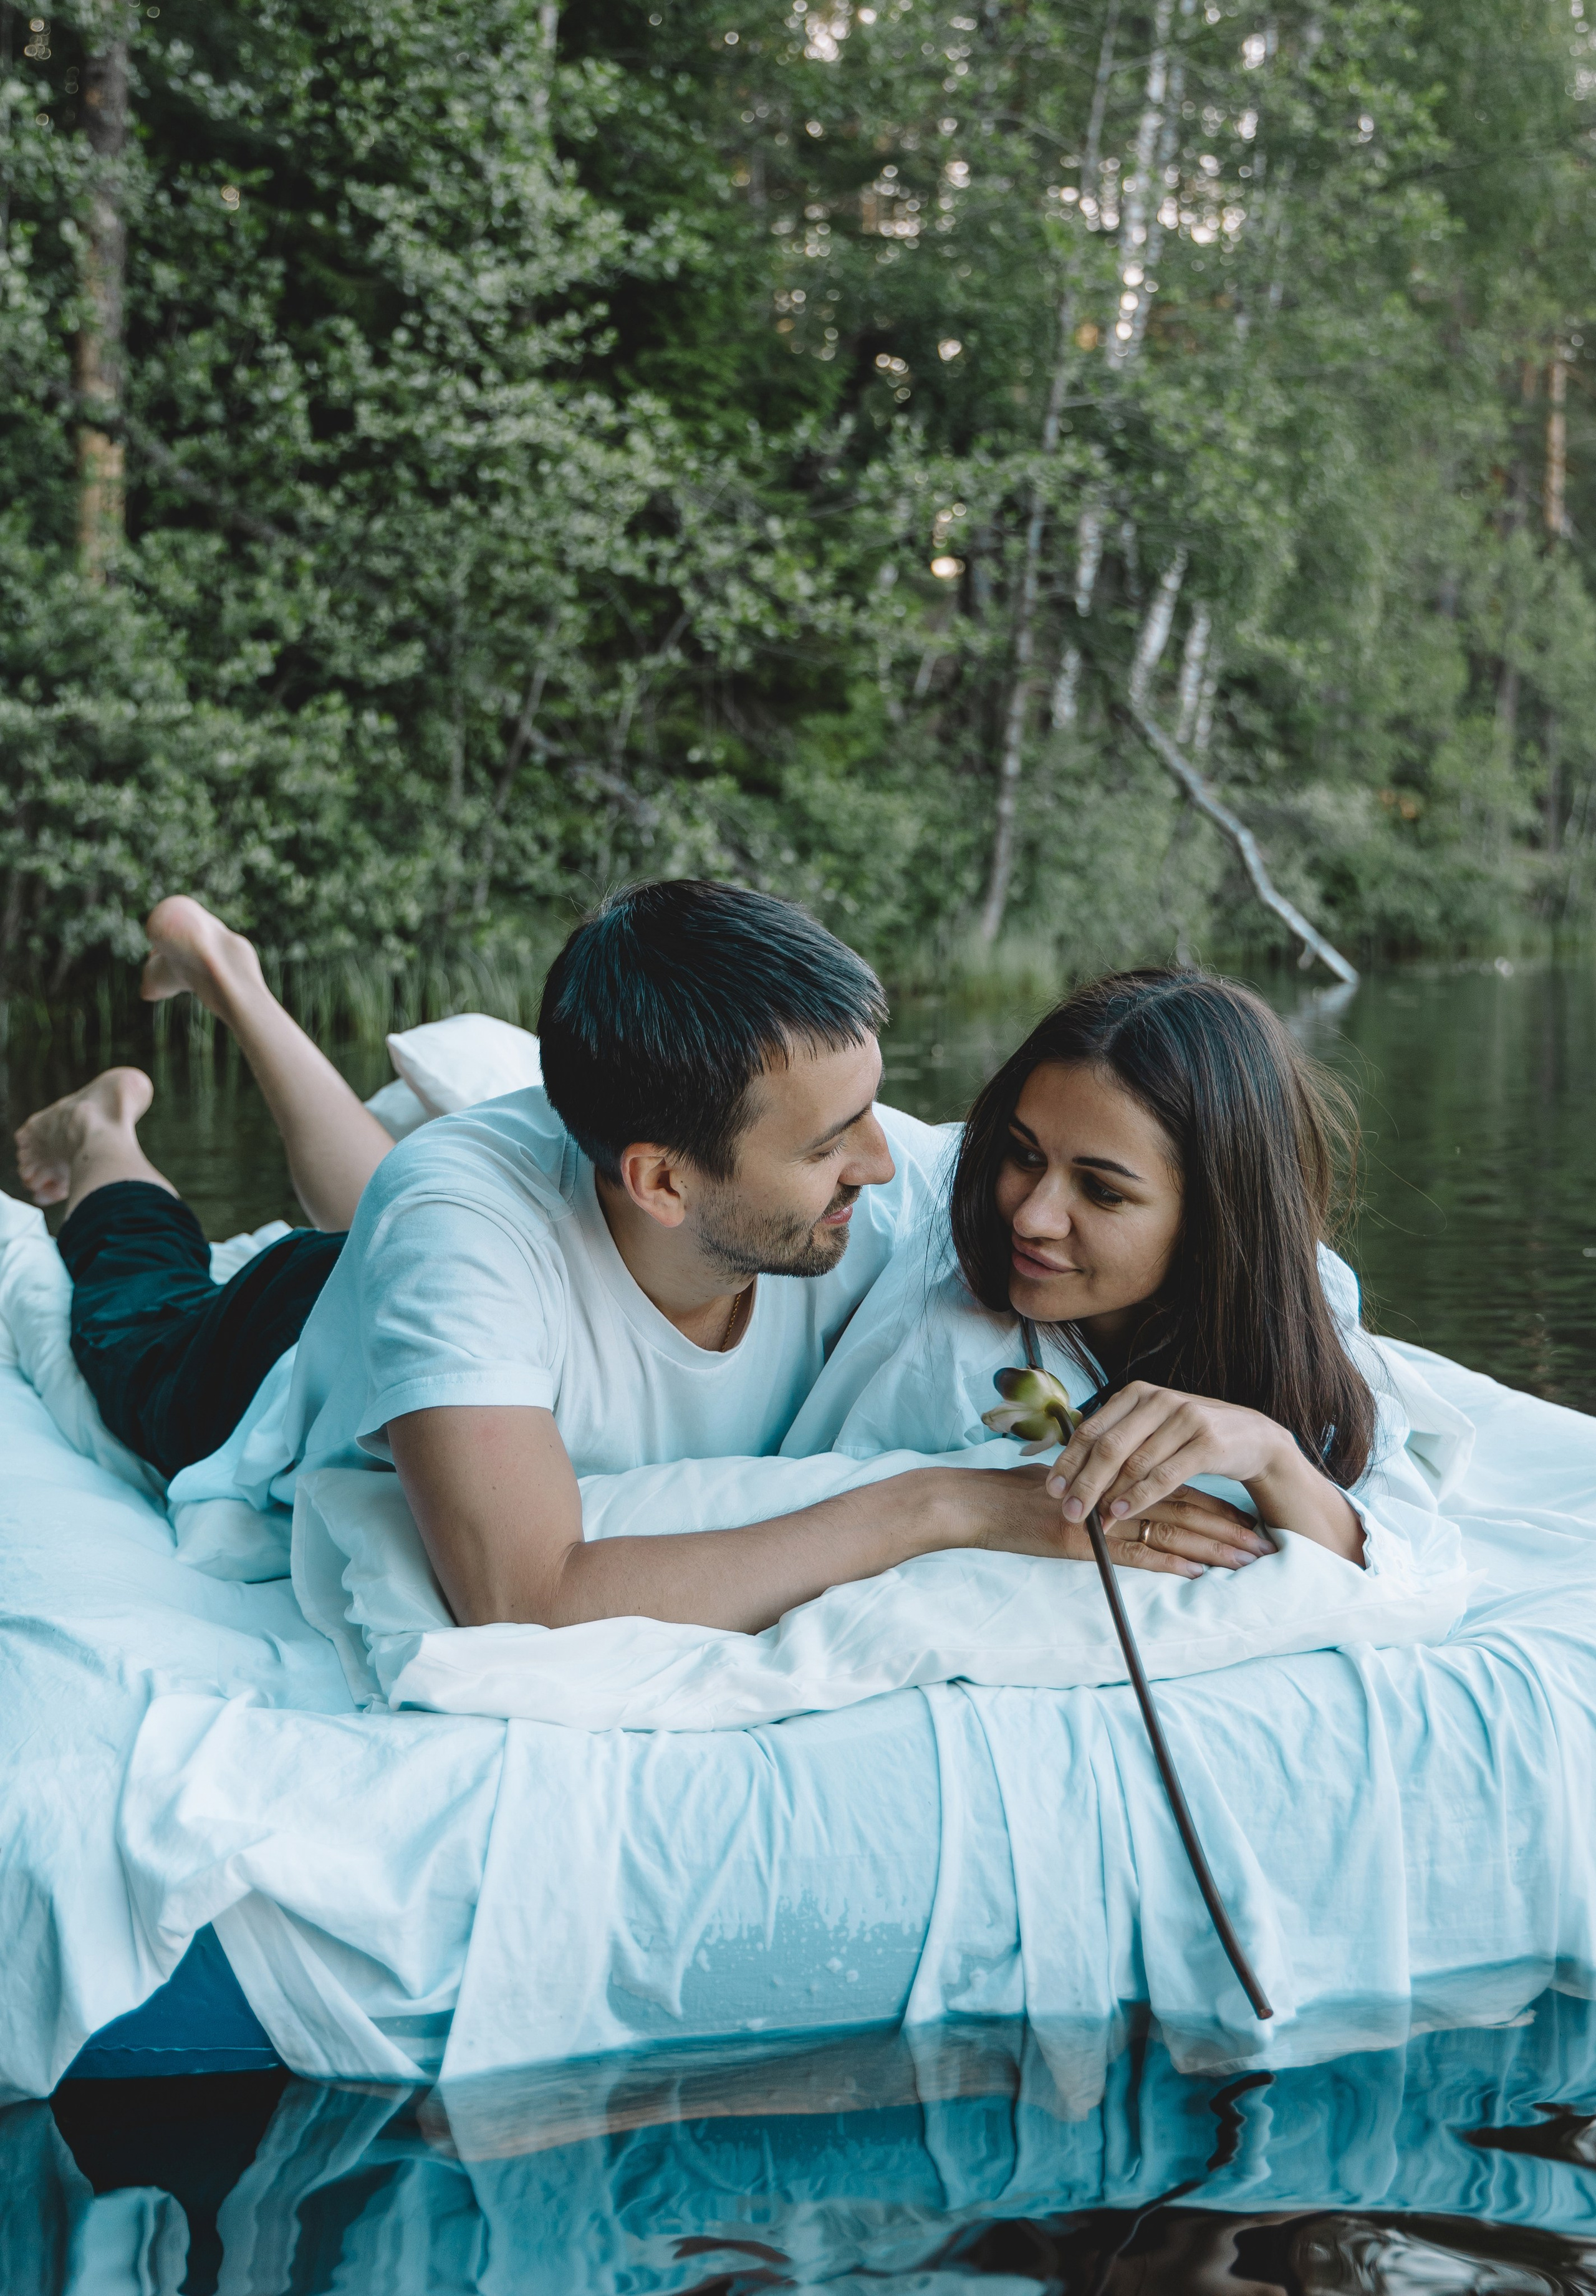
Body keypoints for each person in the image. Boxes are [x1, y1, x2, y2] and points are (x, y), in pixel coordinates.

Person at [17, 888, 1254, 1635]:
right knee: (144, 1325)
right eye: (833, 1142)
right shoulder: (454, 1226)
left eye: (874, 1111)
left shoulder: (858, 1177)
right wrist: (945, 1503)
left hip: (468, 1241)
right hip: (269, 1343)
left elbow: (1200, 1254)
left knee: (393, 1209)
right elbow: (521, 1592)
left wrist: (1249, 1436)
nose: (884, 1163)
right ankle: (106, 1133)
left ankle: (233, 977)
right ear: (662, 1176)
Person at [784, 968, 1380, 1571]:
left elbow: (1374, 1565)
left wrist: (1270, 1455)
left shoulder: (1306, 1300)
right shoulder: (947, 1356)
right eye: (1024, 1155)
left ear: (1216, 1215)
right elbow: (836, 1538)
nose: (1032, 1217)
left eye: (1101, 1190)